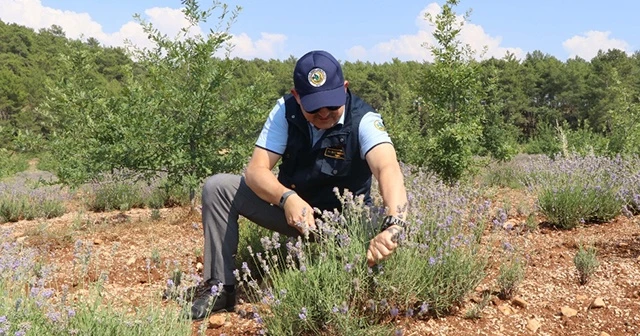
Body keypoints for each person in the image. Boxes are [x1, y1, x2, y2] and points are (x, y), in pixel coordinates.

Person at [189, 50, 408, 320]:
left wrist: (394, 225)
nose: (324, 113)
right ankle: (220, 288)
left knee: (381, 248)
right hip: (293, 216)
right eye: (314, 107)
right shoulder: (285, 111)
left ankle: (355, 281)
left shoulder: (364, 118)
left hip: (345, 227)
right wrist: (287, 197)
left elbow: (388, 167)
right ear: (297, 96)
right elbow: (256, 170)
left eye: (332, 103)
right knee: (218, 187)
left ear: (345, 88)